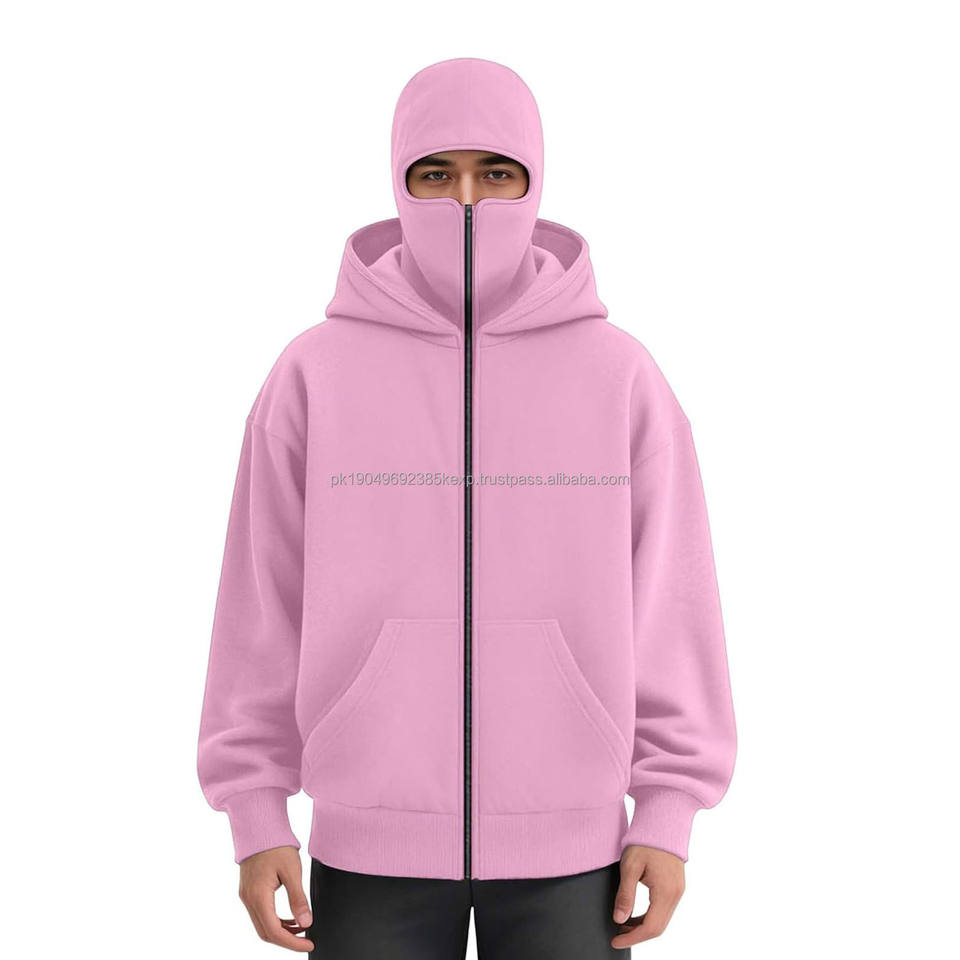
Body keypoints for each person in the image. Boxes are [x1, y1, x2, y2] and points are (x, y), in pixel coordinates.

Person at [197, 57, 737, 958]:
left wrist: (669, 807)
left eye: (496, 172)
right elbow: (260, 607)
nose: (467, 200)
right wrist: (255, 814)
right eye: (435, 174)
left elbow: (674, 606)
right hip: (366, 850)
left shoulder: (619, 377)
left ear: (536, 180)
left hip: (579, 854)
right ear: (397, 183)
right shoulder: (314, 374)